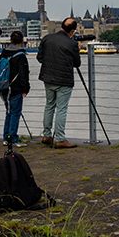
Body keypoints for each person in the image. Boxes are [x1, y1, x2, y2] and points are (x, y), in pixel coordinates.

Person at [37, 18, 82, 148]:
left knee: (49, 105)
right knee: (61, 109)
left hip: (48, 78)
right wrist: (76, 50)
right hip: (64, 80)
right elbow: (77, 63)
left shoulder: (47, 38)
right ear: (72, 31)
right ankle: (60, 139)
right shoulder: (72, 43)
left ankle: (46, 135)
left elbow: (40, 58)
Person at [0, 30, 30, 147]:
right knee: (15, 113)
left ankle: (5, 137)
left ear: (10, 40)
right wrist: (25, 89)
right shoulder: (20, 56)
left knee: (8, 113)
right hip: (16, 88)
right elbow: (24, 75)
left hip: (3, 87)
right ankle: (13, 138)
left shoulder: (3, 53)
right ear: (22, 41)